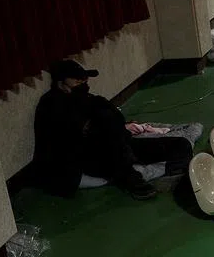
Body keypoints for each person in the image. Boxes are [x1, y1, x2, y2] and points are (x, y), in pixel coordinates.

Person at [33, 60, 195, 201]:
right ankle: (132, 179)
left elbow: (116, 123)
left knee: (181, 144)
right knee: (111, 141)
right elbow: (73, 141)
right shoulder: (52, 107)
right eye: (77, 82)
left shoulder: (88, 100)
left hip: (120, 147)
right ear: (61, 85)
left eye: (84, 81)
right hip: (88, 157)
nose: (83, 85)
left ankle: (173, 175)